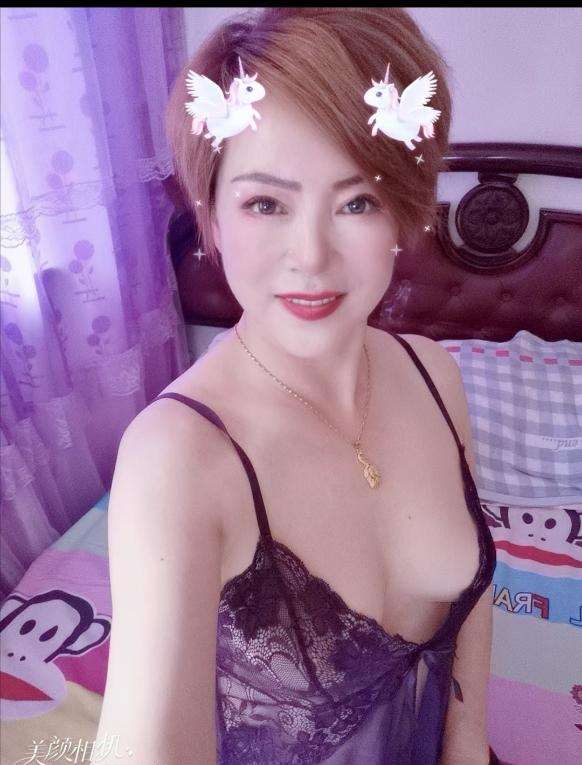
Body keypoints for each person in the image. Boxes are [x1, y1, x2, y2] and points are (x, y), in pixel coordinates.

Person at [94, 8, 498, 764]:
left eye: (357, 201)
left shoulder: (435, 377)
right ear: (213, 216)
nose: (310, 256)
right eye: (266, 203)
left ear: (404, 213)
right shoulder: (176, 458)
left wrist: (469, 742)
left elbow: (469, 610)